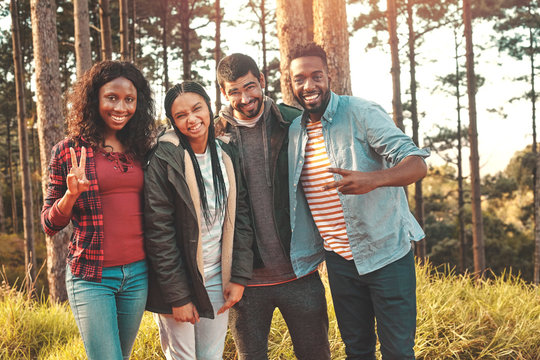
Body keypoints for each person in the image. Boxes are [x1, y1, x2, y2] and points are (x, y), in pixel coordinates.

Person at [288, 42, 430, 360]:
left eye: (316, 76)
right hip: (339, 262)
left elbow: (416, 163)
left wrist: (373, 179)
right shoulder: (295, 132)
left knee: (397, 353)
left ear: (329, 76)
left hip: (386, 256)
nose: (308, 85)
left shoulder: (361, 113)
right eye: (299, 79)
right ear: (291, 82)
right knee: (357, 351)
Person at [216, 53, 331, 360]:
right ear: (224, 94)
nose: (245, 98)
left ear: (262, 82)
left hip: (301, 272)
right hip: (245, 281)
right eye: (235, 91)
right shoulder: (214, 137)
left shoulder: (295, 121)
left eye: (250, 86)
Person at [41, 60, 156, 360]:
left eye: (129, 99)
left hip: (137, 275)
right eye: (112, 98)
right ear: (95, 99)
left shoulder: (141, 147)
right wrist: (70, 195)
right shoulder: (69, 150)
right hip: (91, 277)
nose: (121, 107)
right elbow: (49, 224)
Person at [144, 81, 254, 360]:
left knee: (211, 356)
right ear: (172, 120)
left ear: (209, 107)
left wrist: (238, 276)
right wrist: (178, 297)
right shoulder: (164, 158)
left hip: (217, 278)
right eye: (181, 115)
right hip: (178, 281)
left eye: (197, 109)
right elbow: (159, 233)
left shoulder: (226, 154)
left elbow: (240, 218)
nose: (191, 120)